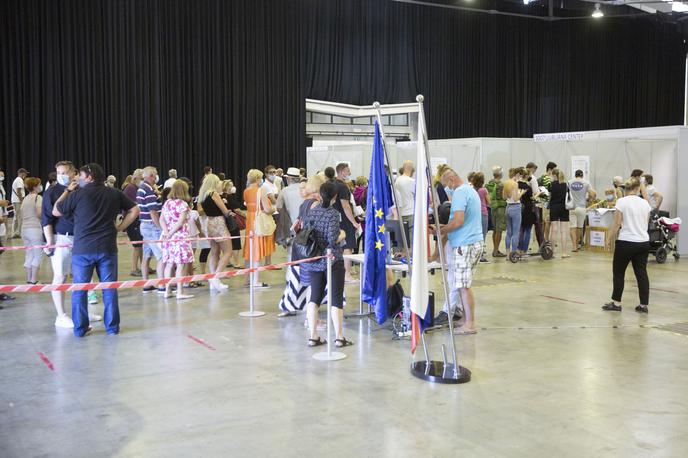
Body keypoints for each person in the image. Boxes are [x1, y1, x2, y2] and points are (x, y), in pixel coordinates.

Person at [53, 163, 139, 337]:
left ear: (89, 177)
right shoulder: (114, 193)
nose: (78, 179)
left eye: (82, 176)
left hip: (83, 249)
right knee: (109, 289)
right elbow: (134, 209)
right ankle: (112, 328)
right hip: (107, 248)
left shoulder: (77, 194)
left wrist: (68, 191)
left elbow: (56, 211)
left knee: (80, 290)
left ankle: (80, 329)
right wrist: (121, 227)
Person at [42, 161, 102, 328]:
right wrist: (49, 242)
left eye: (66, 171)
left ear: (74, 172)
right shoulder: (51, 193)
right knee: (60, 276)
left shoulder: (83, 190)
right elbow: (46, 218)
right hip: (61, 238)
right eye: (59, 172)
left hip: (82, 238)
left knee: (82, 276)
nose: (62, 175)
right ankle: (61, 315)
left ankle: (81, 312)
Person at [302, 181, 351, 347]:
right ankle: (339, 337)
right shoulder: (333, 214)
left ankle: (313, 335)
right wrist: (343, 233)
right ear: (335, 197)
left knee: (314, 297)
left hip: (314, 259)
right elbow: (332, 239)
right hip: (332, 260)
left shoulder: (312, 211)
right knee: (336, 297)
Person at [439, 169, 484, 334]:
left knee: (464, 286)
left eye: (446, 185)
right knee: (462, 284)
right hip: (472, 242)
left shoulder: (459, 193)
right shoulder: (470, 190)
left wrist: (440, 230)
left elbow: (458, 221)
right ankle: (466, 320)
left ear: (451, 180)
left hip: (465, 245)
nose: (446, 189)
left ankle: (470, 324)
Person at [278, 174, 326, 317]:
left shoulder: (303, 204)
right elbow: (317, 227)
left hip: (301, 246)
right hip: (313, 248)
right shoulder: (317, 204)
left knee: (299, 279)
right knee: (314, 283)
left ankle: (292, 307)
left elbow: (297, 224)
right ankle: (312, 317)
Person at [603, 178, 652, 314]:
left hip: (626, 242)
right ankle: (643, 305)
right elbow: (646, 223)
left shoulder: (621, 202)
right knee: (641, 273)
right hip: (643, 242)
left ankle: (616, 303)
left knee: (619, 272)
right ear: (638, 189)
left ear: (626, 189)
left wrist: (608, 239)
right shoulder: (645, 203)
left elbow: (617, 223)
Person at [197, 173, 234, 291]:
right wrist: (230, 213)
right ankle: (216, 276)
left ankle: (214, 279)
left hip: (209, 223)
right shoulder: (214, 194)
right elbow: (225, 211)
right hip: (219, 224)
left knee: (214, 252)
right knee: (228, 251)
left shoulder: (202, 195)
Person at [160, 180, 195, 300]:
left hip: (169, 238)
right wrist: (171, 233)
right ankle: (180, 291)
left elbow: (161, 220)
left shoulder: (167, 203)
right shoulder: (183, 204)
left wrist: (166, 233)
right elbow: (180, 222)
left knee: (169, 264)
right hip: (180, 237)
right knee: (180, 265)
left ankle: (168, 290)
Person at [243, 169, 275, 288]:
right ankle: (255, 281)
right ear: (257, 179)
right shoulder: (261, 190)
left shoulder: (246, 191)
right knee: (257, 249)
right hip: (258, 221)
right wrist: (273, 209)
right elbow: (267, 209)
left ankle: (248, 279)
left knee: (250, 250)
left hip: (250, 220)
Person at [137, 166, 166, 293]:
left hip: (145, 225)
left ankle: (146, 283)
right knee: (162, 256)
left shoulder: (142, 188)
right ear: (151, 175)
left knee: (146, 255)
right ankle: (162, 285)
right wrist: (161, 228)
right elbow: (153, 212)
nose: (157, 177)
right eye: (156, 174)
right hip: (152, 227)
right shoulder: (147, 189)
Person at [333, 163, 360, 282]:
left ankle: (339, 274)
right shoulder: (343, 187)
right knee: (347, 247)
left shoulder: (331, 184)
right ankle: (347, 275)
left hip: (334, 219)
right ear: (342, 171)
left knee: (336, 247)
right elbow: (345, 206)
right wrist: (354, 222)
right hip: (344, 220)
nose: (349, 173)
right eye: (348, 171)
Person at [276, 167, 305, 261]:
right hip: (306, 223)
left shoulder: (284, 191)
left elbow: (279, 207)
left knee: (291, 251)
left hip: (292, 224)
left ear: (289, 179)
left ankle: (292, 273)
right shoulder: (305, 188)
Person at [20, 177, 44, 284]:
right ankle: (34, 280)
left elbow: (21, 214)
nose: (40, 186)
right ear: (35, 186)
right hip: (35, 229)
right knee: (37, 254)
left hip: (24, 229)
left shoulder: (25, 198)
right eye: (39, 184)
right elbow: (39, 213)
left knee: (29, 254)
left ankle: (29, 279)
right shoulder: (38, 198)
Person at [568, 169, 596, 251]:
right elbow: (593, 194)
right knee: (579, 227)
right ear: (582, 175)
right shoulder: (586, 183)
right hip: (581, 207)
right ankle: (577, 244)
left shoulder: (569, 182)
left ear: (575, 175)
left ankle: (573, 246)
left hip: (571, 207)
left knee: (572, 227)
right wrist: (589, 199)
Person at [123, 169, 144, 276]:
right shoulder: (130, 188)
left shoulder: (136, 188)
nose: (143, 181)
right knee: (137, 246)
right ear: (135, 178)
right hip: (132, 221)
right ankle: (134, 268)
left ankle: (143, 265)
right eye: (142, 179)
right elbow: (132, 205)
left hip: (137, 220)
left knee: (141, 245)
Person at [502, 167, 525, 257]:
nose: (520, 178)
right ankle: (514, 253)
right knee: (516, 232)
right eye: (520, 176)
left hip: (508, 207)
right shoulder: (515, 184)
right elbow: (516, 199)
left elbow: (504, 197)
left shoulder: (506, 183)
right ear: (517, 174)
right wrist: (521, 193)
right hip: (515, 208)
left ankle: (508, 254)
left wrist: (509, 195)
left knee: (509, 232)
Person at [220, 179, 244, 266]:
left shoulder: (222, 197)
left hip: (226, 221)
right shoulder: (228, 197)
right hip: (232, 222)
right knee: (235, 242)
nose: (232, 187)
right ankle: (237, 263)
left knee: (228, 242)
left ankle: (228, 261)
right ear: (226, 187)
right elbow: (237, 210)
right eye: (230, 185)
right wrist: (247, 216)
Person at [549, 169, 570, 258]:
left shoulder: (551, 185)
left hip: (554, 208)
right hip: (564, 208)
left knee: (554, 230)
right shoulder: (566, 185)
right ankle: (564, 253)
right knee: (563, 231)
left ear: (555, 175)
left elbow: (549, 197)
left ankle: (552, 252)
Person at [486, 166, 506, 257]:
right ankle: (496, 250)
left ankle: (495, 249)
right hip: (500, 208)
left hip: (492, 208)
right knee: (499, 230)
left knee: (495, 230)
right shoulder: (501, 185)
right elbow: (504, 197)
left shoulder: (490, 183)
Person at [471, 172, 490, 263]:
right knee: (483, 235)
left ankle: (474, 254)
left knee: (475, 234)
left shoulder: (472, 189)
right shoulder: (484, 190)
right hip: (483, 213)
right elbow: (488, 202)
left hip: (474, 214)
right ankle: (481, 256)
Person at [517, 170, 536, 253]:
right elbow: (532, 198)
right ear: (527, 175)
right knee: (528, 230)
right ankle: (524, 249)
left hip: (519, 207)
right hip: (528, 208)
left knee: (521, 229)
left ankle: (519, 248)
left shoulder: (517, 184)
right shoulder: (528, 187)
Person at [394, 160, 416, 231]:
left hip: (400, 213)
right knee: (411, 239)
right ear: (411, 169)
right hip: (410, 213)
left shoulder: (397, 180)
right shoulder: (412, 182)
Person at [539, 162, 557, 242]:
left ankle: (542, 238)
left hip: (542, 203)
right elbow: (550, 191)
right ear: (550, 169)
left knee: (544, 222)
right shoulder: (548, 178)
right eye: (554, 169)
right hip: (548, 203)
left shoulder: (542, 177)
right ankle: (546, 239)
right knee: (547, 222)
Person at [11, 168, 28, 238]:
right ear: (22, 173)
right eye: (25, 174)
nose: (26, 175)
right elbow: (18, 191)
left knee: (16, 217)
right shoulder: (19, 180)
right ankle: (19, 233)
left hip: (16, 200)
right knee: (19, 217)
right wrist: (22, 201)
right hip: (18, 201)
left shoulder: (18, 179)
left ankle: (15, 233)